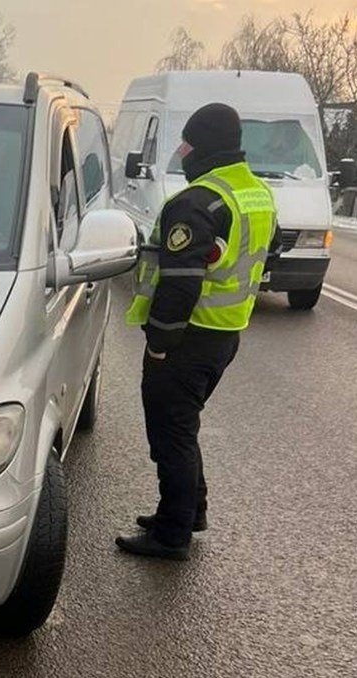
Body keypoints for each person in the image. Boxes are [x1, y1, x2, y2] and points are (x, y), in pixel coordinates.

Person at [117, 103, 282, 560]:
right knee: (183, 429)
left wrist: (160, 342)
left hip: (187, 338)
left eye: (187, 142)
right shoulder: (257, 194)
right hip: (226, 335)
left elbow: (180, 283)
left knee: (170, 434)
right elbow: (270, 249)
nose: (182, 150)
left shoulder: (196, 202)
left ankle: (172, 535)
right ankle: (189, 512)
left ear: (202, 145)